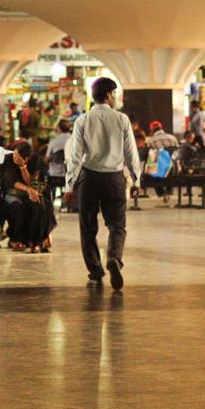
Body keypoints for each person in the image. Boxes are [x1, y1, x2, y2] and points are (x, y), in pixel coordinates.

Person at [67, 77, 140, 291]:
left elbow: (75, 156)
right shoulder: (122, 119)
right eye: (114, 94)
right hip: (114, 178)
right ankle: (114, 259)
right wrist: (136, 179)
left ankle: (96, 272)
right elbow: (131, 153)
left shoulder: (83, 120)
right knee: (117, 226)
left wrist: (69, 185)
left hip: (89, 178)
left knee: (88, 228)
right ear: (108, 95)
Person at [0, 140, 54, 252]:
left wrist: (22, 167)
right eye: (14, 153)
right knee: (17, 206)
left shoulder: (35, 161)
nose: (14, 157)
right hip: (14, 192)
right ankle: (16, 239)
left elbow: (33, 183)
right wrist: (29, 190)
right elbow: (11, 182)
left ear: (26, 158)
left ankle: (37, 240)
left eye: (17, 156)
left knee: (38, 205)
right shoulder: (8, 159)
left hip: (34, 190)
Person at [44, 119, 72, 204]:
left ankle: (51, 203)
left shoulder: (54, 142)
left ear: (59, 129)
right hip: (70, 175)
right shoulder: (74, 140)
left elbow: (46, 159)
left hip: (54, 175)